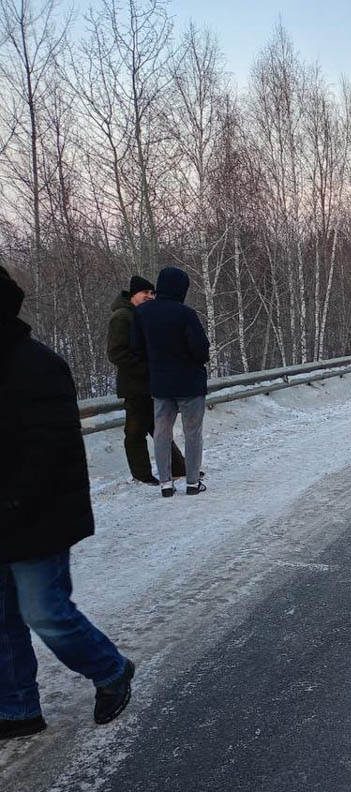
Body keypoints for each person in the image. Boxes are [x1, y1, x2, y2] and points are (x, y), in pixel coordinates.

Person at [0, 266, 135, 740]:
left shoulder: (34, 364)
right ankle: (17, 708)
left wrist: (14, 501)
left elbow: (51, 448)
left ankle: (111, 669)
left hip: (37, 515)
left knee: (45, 613)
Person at [132, 266, 209, 497]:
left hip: (160, 383)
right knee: (192, 433)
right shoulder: (185, 314)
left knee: (161, 433)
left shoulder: (143, 313)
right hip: (189, 384)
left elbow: (136, 348)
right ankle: (193, 482)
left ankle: (166, 483)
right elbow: (201, 350)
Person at [107, 275, 186, 486]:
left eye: (152, 293)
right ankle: (142, 475)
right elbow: (116, 354)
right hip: (135, 386)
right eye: (146, 293)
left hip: (150, 383)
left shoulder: (141, 315)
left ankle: (179, 469)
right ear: (134, 295)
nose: (150, 297)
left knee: (158, 428)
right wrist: (149, 368)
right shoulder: (123, 317)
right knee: (135, 432)